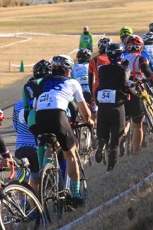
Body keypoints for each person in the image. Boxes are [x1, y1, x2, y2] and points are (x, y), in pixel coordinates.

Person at [32, 55, 94, 208]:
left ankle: (45, 171)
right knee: (70, 154)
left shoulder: (43, 82)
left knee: (51, 147)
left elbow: (35, 105)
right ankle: (76, 194)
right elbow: (84, 110)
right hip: (58, 117)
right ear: (67, 70)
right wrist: (89, 121)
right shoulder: (72, 82)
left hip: (40, 119)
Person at [94, 42, 131, 171]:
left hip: (103, 106)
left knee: (103, 134)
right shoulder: (124, 69)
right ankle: (110, 169)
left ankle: (101, 143)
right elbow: (125, 86)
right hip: (117, 106)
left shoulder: (102, 69)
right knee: (115, 140)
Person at [121, 35, 153, 154]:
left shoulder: (122, 59)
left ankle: (123, 137)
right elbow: (146, 70)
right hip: (136, 91)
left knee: (125, 121)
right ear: (140, 47)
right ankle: (136, 151)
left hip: (122, 92)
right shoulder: (141, 58)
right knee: (137, 125)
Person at [11, 99, 40, 193]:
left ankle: (24, 203)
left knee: (23, 182)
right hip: (36, 147)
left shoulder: (18, 104)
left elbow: (15, 127)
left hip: (20, 147)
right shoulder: (42, 102)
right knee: (36, 181)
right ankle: (36, 205)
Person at [22, 59, 52, 132]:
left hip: (34, 120)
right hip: (55, 117)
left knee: (40, 139)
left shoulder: (27, 86)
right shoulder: (56, 82)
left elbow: (26, 110)